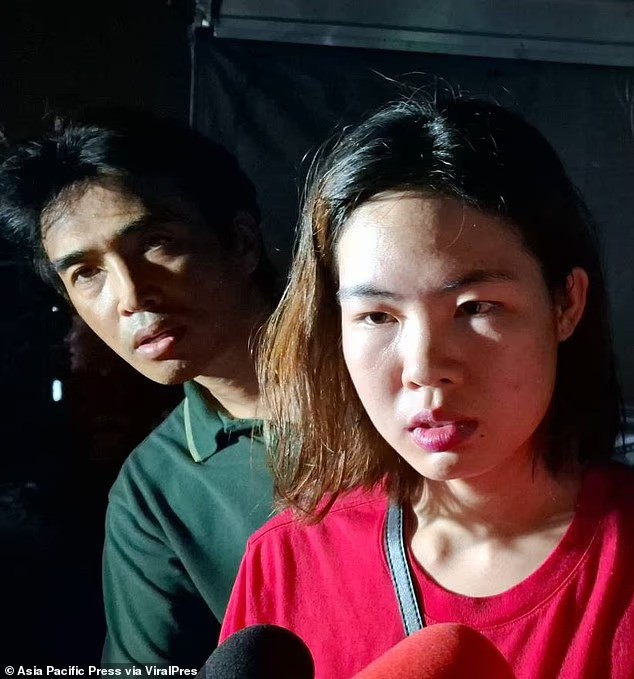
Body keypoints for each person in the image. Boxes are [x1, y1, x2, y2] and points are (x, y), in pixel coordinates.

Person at [219, 96, 633, 679]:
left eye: (476, 307)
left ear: (566, 303)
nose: (424, 366)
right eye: (377, 316)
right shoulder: (286, 561)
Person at [0, 111, 278, 668]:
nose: (130, 296)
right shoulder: (153, 491)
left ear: (241, 241)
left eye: (155, 243)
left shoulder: (401, 382)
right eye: (86, 273)